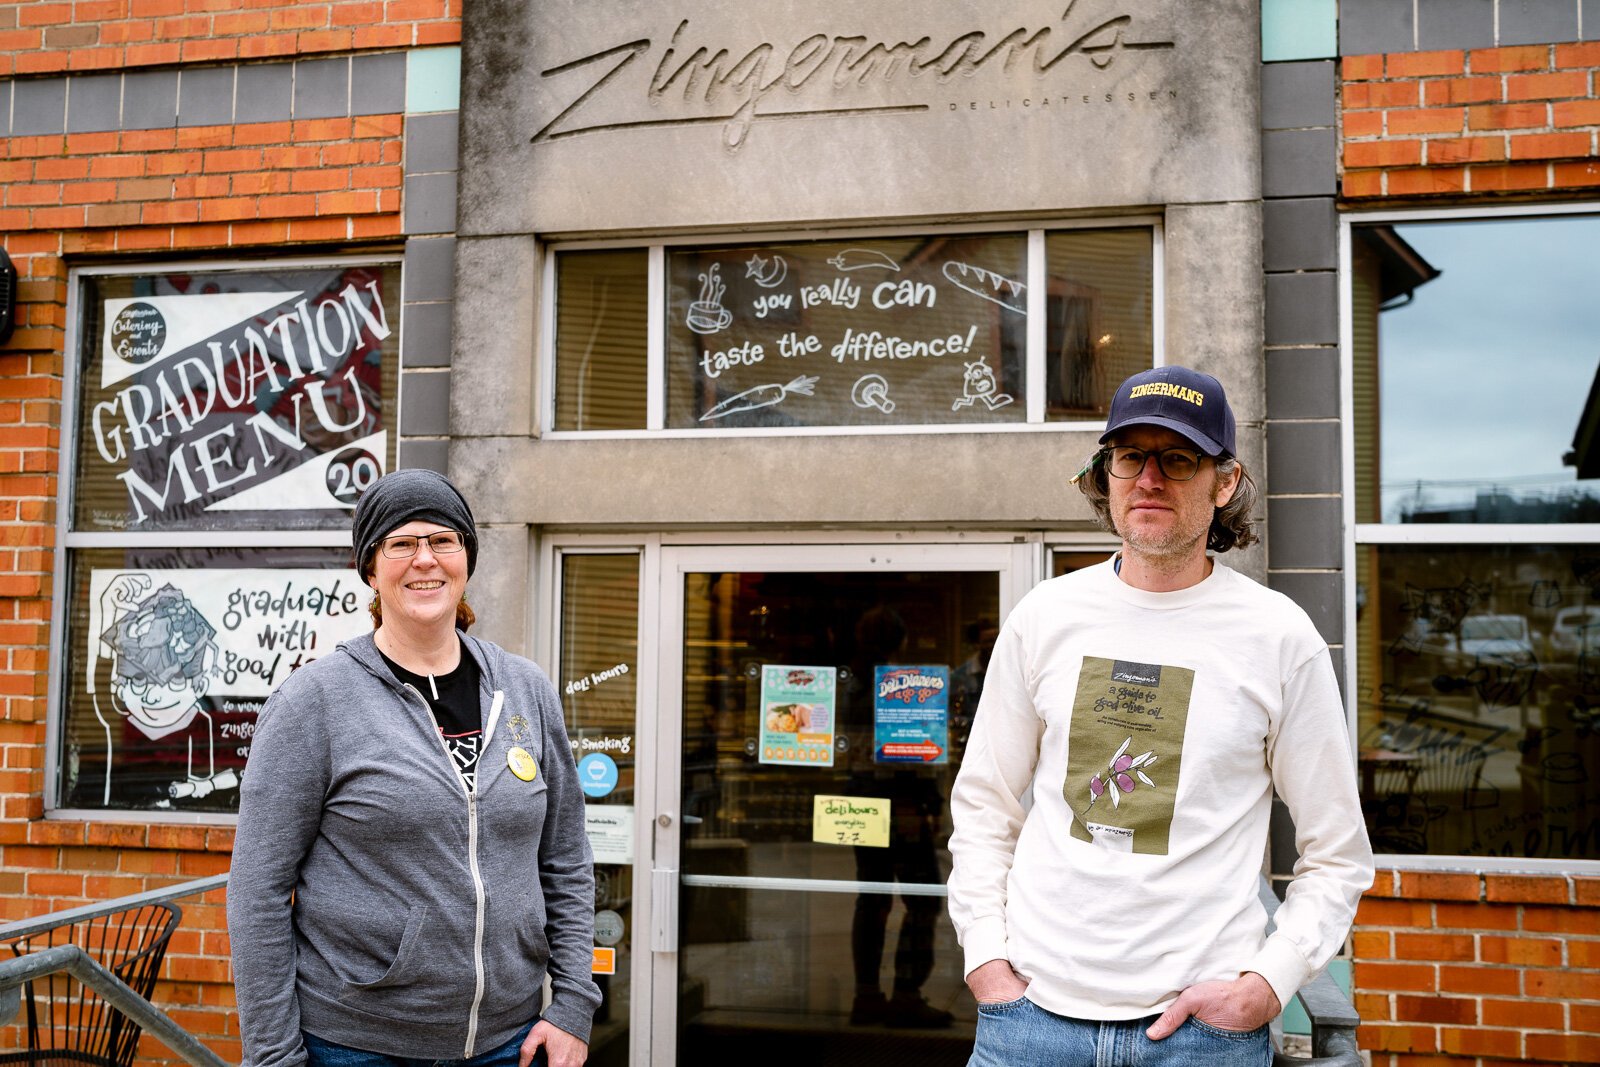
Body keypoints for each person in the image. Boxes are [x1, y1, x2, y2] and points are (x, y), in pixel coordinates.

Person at [947, 366, 1373, 1066]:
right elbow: (985, 806)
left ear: (1225, 481)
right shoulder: (1044, 617)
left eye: (1177, 459)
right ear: (1105, 473)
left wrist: (1267, 984)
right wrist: (986, 961)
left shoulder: (1277, 636)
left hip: (1200, 1035)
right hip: (1028, 1024)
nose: (1148, 478)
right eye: (1128, 456)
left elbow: (1336, 851)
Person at [228, 469, 600, 1067]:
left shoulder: (526, 690)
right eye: (401, 544)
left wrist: (573, 1006)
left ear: (466, 559)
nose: (424, 560)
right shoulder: (313, 702)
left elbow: (566, 859)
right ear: (371, 569)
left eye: (442, 540)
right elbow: (258, 891)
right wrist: (274, 1056)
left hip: (511, 1041)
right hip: (356, 1045)